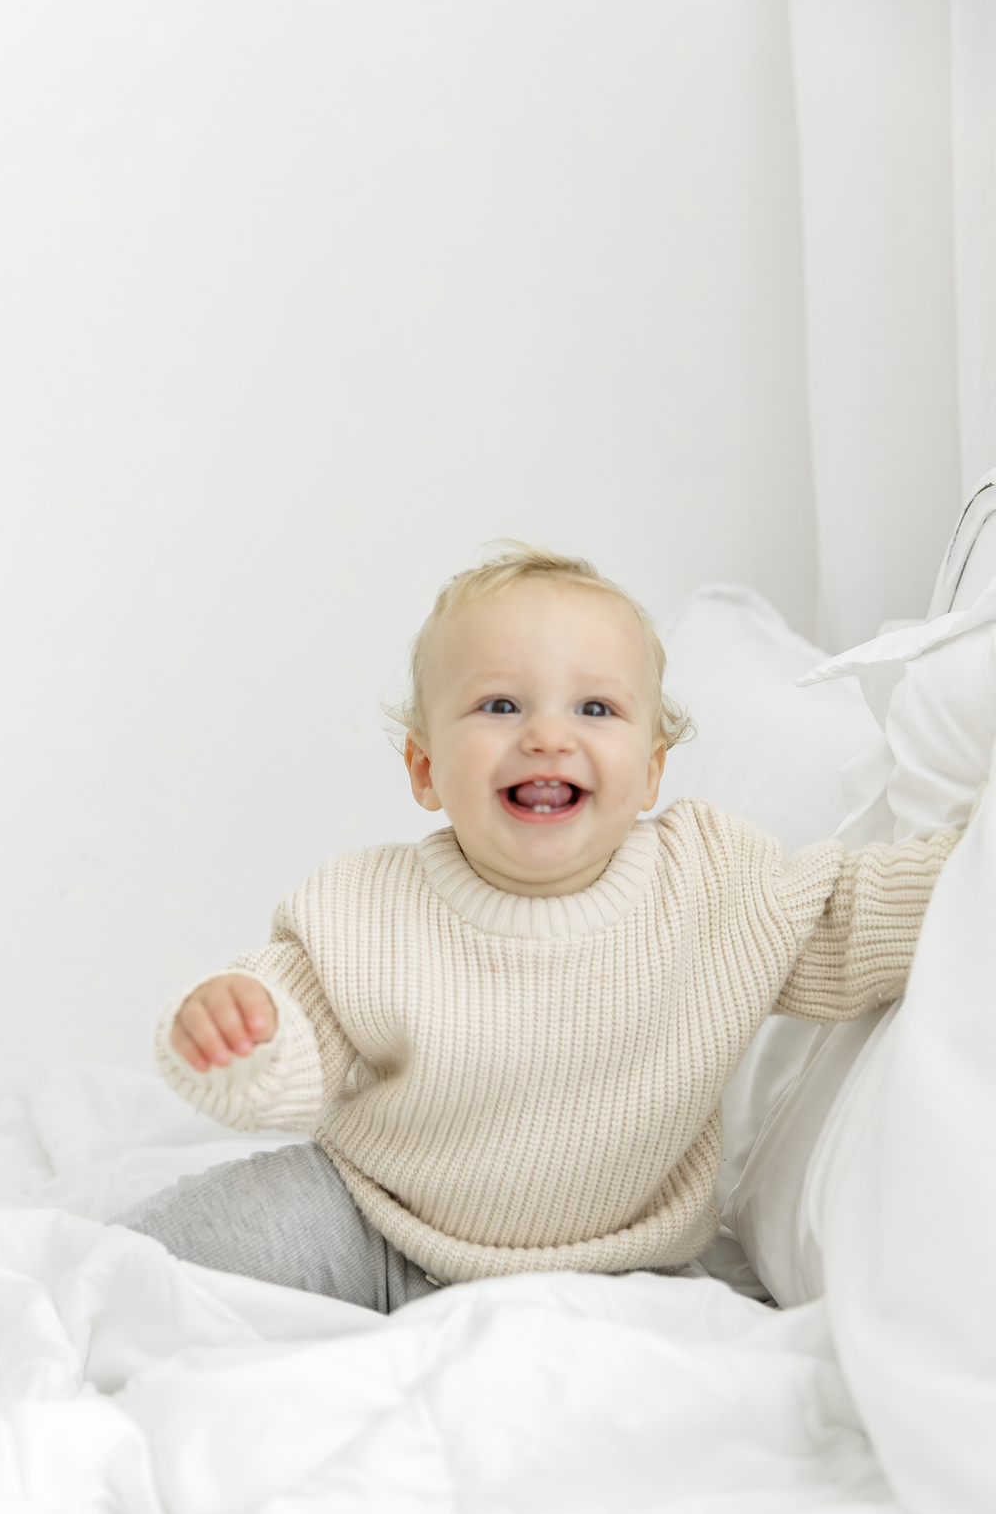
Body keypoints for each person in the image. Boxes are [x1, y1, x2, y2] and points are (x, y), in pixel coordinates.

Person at [114, 545, 957, 1311]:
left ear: (652, 770)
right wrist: (243, 1034)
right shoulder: (366, 907)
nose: (548, 736)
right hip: (374, 1221)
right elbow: (300, 1020)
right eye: (500, 704)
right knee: (152, 1261)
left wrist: (968, 864)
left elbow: (848, 916)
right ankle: (75, 1293)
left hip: (621, 1264)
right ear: (425, 768)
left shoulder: (715, 885)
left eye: (595, 708)